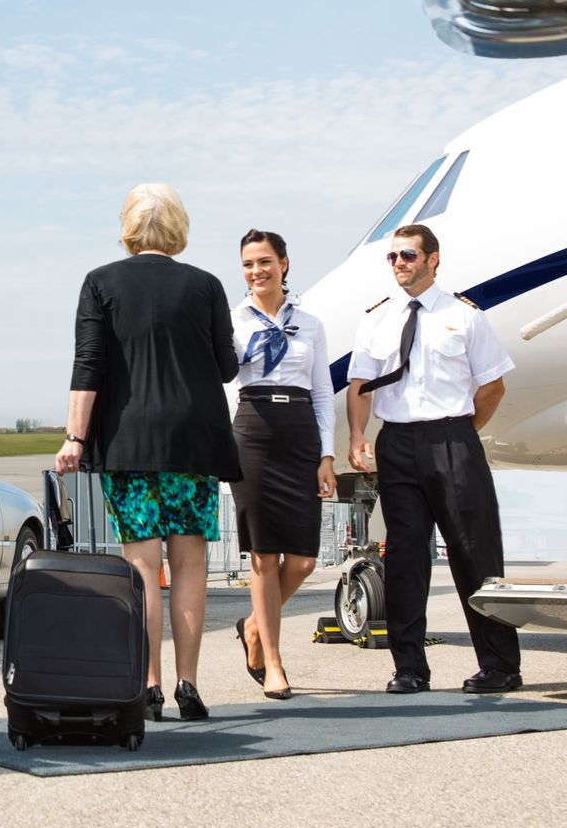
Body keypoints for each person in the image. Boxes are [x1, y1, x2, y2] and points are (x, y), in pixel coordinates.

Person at [53, 183, 241, 721]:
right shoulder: (205, 286)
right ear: (178, 226)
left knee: (141, 567)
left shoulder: (101, 283)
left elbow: (88, 366)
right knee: (190, 566)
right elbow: (227, 368)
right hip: (193, 443)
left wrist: (74, 438)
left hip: (128, 443)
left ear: (129, 226)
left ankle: (150, 686)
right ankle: (190, 686)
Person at [345, 223, 521, 695]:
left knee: (474, 554)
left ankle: (500, 666)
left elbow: (492, 386)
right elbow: (360, 385)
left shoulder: (465, 317)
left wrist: (460, 434)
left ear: (432, 259)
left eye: (407, 255)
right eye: (393, 257)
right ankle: (409, 669)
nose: (399, 263)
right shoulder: (376, 320)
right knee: (404, 557)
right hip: (396, 444)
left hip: (452, 439)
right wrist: (358, 434)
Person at [229, 229, 336, 701]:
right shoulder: (232, 320)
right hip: (252, 430)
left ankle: (254, 625)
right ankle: (273, 661)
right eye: (249, 264)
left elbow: (322, 394)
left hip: (299, 433)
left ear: (284, 264)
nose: (257, 271)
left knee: (304, 561)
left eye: (265, 262)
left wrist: (326, 454)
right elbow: (225, 377)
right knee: (264, 556)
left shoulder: (311, 324)